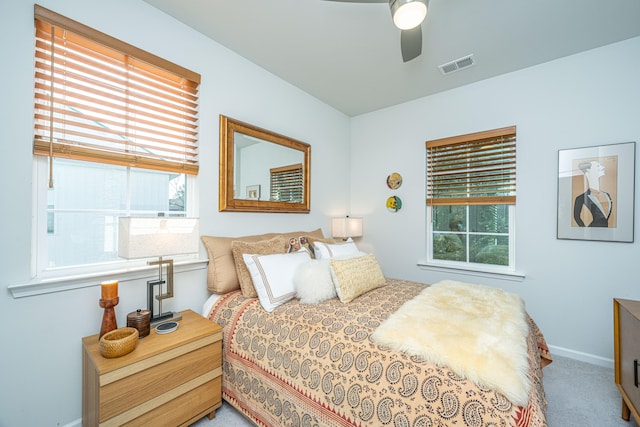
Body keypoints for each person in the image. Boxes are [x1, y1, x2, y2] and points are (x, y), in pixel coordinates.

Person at [573, 160, 612, 227]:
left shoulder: (607, 195)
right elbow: (577, 217)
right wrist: (585, 231)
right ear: (588, 172)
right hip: (592, 232)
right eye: (598, 166)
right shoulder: (580, 198)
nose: (603, 167)